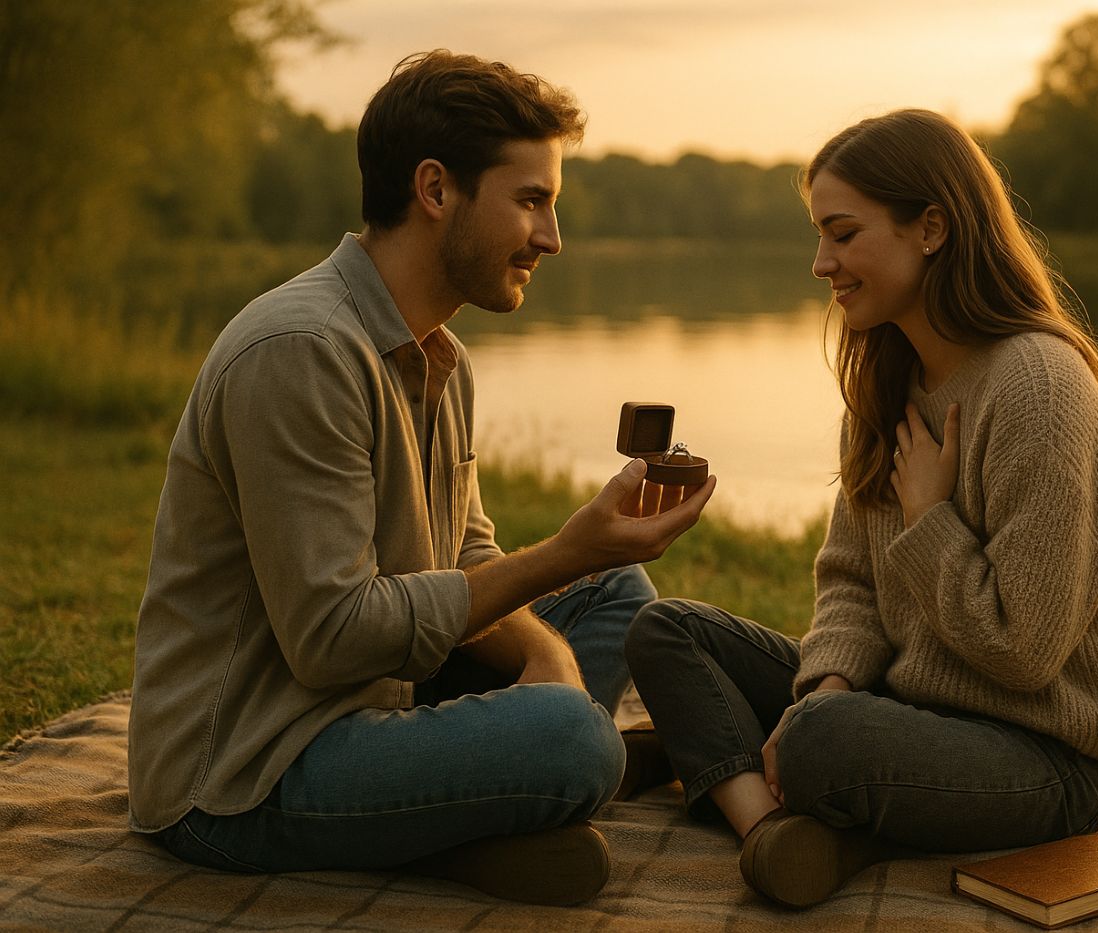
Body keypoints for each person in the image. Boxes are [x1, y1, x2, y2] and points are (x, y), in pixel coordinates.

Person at [126, 50, 716, 908]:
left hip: (380, 701)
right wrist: (561, 553)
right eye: (532, 201)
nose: (552, 238)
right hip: (247, 772)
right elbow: (330, 636)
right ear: (436, 191)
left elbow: (464, 552)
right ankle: (496, 808)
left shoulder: (441, 355)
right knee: (575, 738)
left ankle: (470, 815)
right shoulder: (302, 352)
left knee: (616, 590)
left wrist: (554, 627)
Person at [624, 109, 1098, 909]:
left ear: (930, 228)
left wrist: (930, 518)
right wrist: (829, 681)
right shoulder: (886, 383)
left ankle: (737, 768)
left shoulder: (1040, 389)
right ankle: (767, 827)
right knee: (665, 630)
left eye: (842, 233)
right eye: (819, 236)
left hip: (1043, 756)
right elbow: (848, 583)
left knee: (818, 742)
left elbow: (1026, 652)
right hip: (905, 705)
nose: (819, 263)